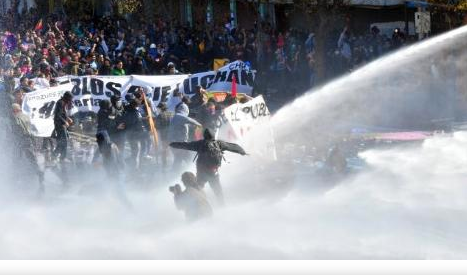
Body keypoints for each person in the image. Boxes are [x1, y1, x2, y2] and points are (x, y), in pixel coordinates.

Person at [170, 128, 247, 205]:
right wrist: (242, 151)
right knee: (218, 192)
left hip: (201, 173)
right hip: (213, 172)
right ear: (213, 135)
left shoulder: (200, 143)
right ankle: (222, 206)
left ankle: (197, 205)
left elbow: (186, 145)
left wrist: (172, 144)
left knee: (197, 190)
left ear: (204, 136)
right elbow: (232, 146)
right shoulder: (219, 143)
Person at [11, 103, 44, 193]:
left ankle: (38, 176)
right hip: (30, 139)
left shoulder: (16, 118)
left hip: (22, 140)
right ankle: (38, 173)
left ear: (14, 111)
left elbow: (18, 129)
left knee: (19, 159)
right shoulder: (26, 116)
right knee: (31, 158)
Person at [168, 98, 202, 172]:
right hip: (180, 142)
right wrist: (199, 124)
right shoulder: (179, 116)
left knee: (178, 159)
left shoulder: (177, 117)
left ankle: (173, 173)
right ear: (185, 110)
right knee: (188, 158)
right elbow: (189, 120)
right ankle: (192, 170)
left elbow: (185, 124)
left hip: (177, 142)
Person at [52, 91, 74, 162]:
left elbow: (63, 113)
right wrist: (65, 122)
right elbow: (58, 115)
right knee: (64, 141)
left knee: (61, 141)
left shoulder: (63, 103)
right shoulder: (60, 103)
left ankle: (55, 155)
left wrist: (68, 118)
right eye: (70, 99)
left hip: (61, 124)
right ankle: (62, 158)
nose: (70, 101)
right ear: (67, 98)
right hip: (60, 124)